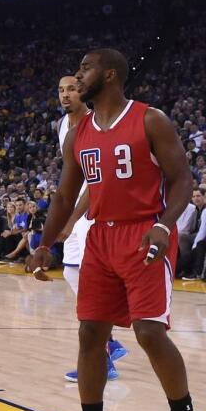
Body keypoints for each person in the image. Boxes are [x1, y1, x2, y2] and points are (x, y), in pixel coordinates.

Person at [27, 49, 205, 411]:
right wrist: (44, 243)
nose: (77, 76)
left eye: (84, 69)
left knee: (148, 331)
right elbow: (65, 196)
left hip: (144, 232)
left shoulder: (149, 119)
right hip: (101, 237)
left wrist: (164, 226)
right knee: (90, 334)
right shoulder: (78, 134)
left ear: (108, 75)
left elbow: (183, 180)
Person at [50, 74, 126, 381]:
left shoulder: (96, 123)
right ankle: (109, 341)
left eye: (71, 89)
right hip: (75, 210)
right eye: (61, 90)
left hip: (94, 210)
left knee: (92, 282)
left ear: (84, 92)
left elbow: (97, 178)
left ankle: (103, 356)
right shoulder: (62, 126)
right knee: (71, 271)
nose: (65, 94)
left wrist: (70, 218)